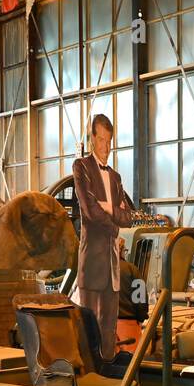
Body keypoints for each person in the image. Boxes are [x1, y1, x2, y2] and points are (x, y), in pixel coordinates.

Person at [72, 113, 134, 363]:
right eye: (101, 140)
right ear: (91, 140)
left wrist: (109, 208)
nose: (106, 147)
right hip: (92, 263)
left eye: (109, 141)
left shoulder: (116, 177)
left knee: (108, 330)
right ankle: (89, 379)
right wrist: (114, 219)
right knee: (89, 330)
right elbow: (89, 210)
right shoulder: (82, 167)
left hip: (112, 267)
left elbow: (128, 217)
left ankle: (109, 378)